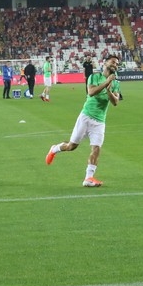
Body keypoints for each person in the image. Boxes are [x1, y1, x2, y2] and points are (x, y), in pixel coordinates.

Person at [45, 54, 121, 187]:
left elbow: (115, 102)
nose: (116, 65)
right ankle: (55, 148)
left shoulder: (116, 83)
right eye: (113, 62)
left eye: (117, 64)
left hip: (100, 121)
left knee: (96, 148)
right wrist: (106, 82)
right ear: (105, 63)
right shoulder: (94, 76)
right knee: (72, 146)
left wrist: (109, 90)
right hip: (86, 116)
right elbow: (91, 92)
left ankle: (88, 178)